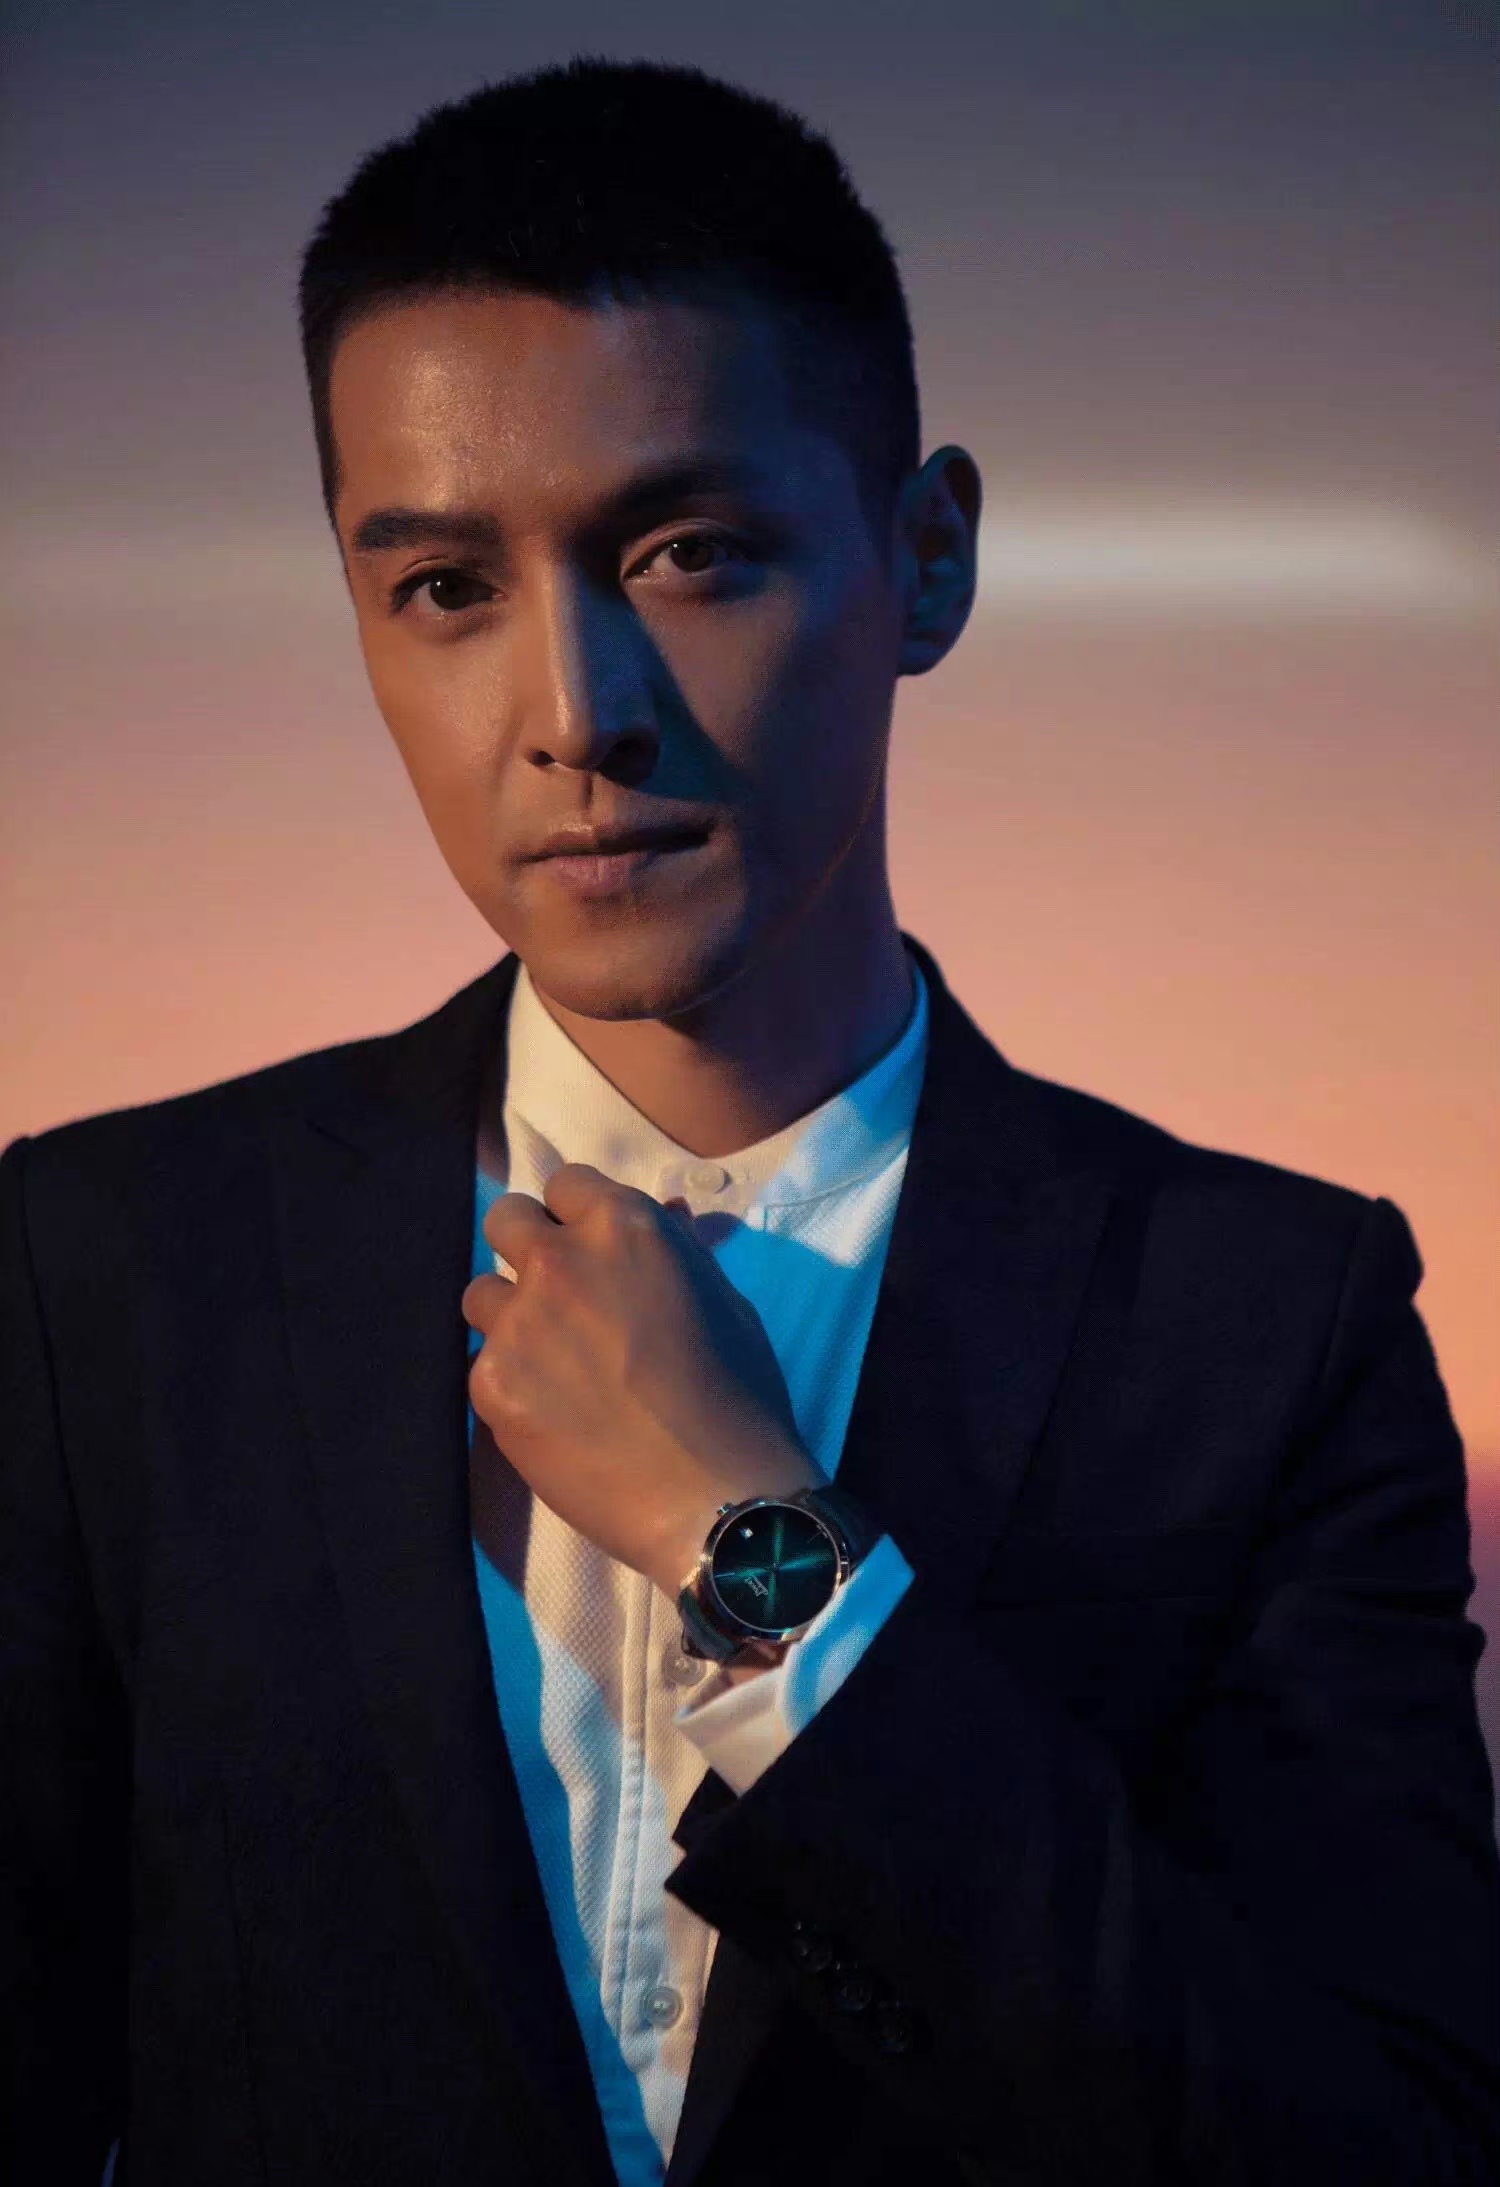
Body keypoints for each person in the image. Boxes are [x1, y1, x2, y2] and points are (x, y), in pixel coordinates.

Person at [2, 52, 1496, 2187]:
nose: (573, 714)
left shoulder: (1271, 1321)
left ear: (927, 557)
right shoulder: (102, 1278)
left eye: (686, 552)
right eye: (445, 588)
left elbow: (1376, 2153)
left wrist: (760, 1555)